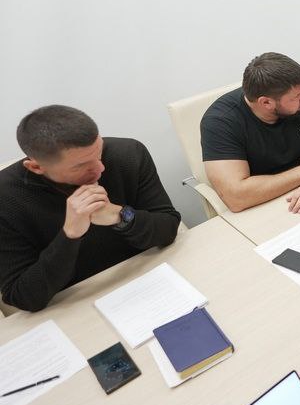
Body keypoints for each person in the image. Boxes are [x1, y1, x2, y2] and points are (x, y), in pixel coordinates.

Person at [0, 106, 181, 312]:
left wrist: (121, 215)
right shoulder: (6, 199)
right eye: (81, 166)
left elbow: (168, 228)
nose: (100, 168)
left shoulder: (128, 153)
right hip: (73, 305)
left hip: (149, 275)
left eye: (99, 153)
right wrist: (70, 235)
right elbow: (24, 297)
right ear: (36, 167)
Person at [201, 52, 300, 214]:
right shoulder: (220, 122)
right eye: (297, 96)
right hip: (260, 206)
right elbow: (236, 197)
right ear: (266, 102)